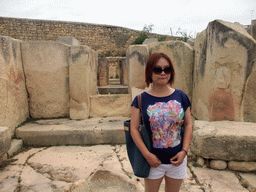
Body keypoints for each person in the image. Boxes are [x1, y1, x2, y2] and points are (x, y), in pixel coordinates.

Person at [130, 52, 193, 192]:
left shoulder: (181, 96)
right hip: (153, 162)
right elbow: (134, 129)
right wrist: (147, 155)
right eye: (158, 69)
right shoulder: (140, 100)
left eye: (167, 69)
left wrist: (184, 151)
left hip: (177, 161)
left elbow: (188, 124)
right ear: (150, 72)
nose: (163, 73)